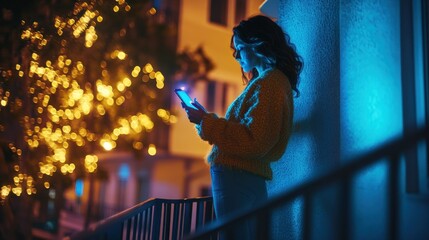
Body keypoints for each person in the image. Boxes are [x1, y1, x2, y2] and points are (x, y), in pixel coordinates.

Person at [182, 14, 303, 239]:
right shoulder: (269, 82)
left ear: (257, 45)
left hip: (237, 176)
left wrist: (205, 121)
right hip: (243, 176)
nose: (236, 56)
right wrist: (204, 120)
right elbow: (252, 135)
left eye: (240, 48)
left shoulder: (269, 84)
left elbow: (254, 140)